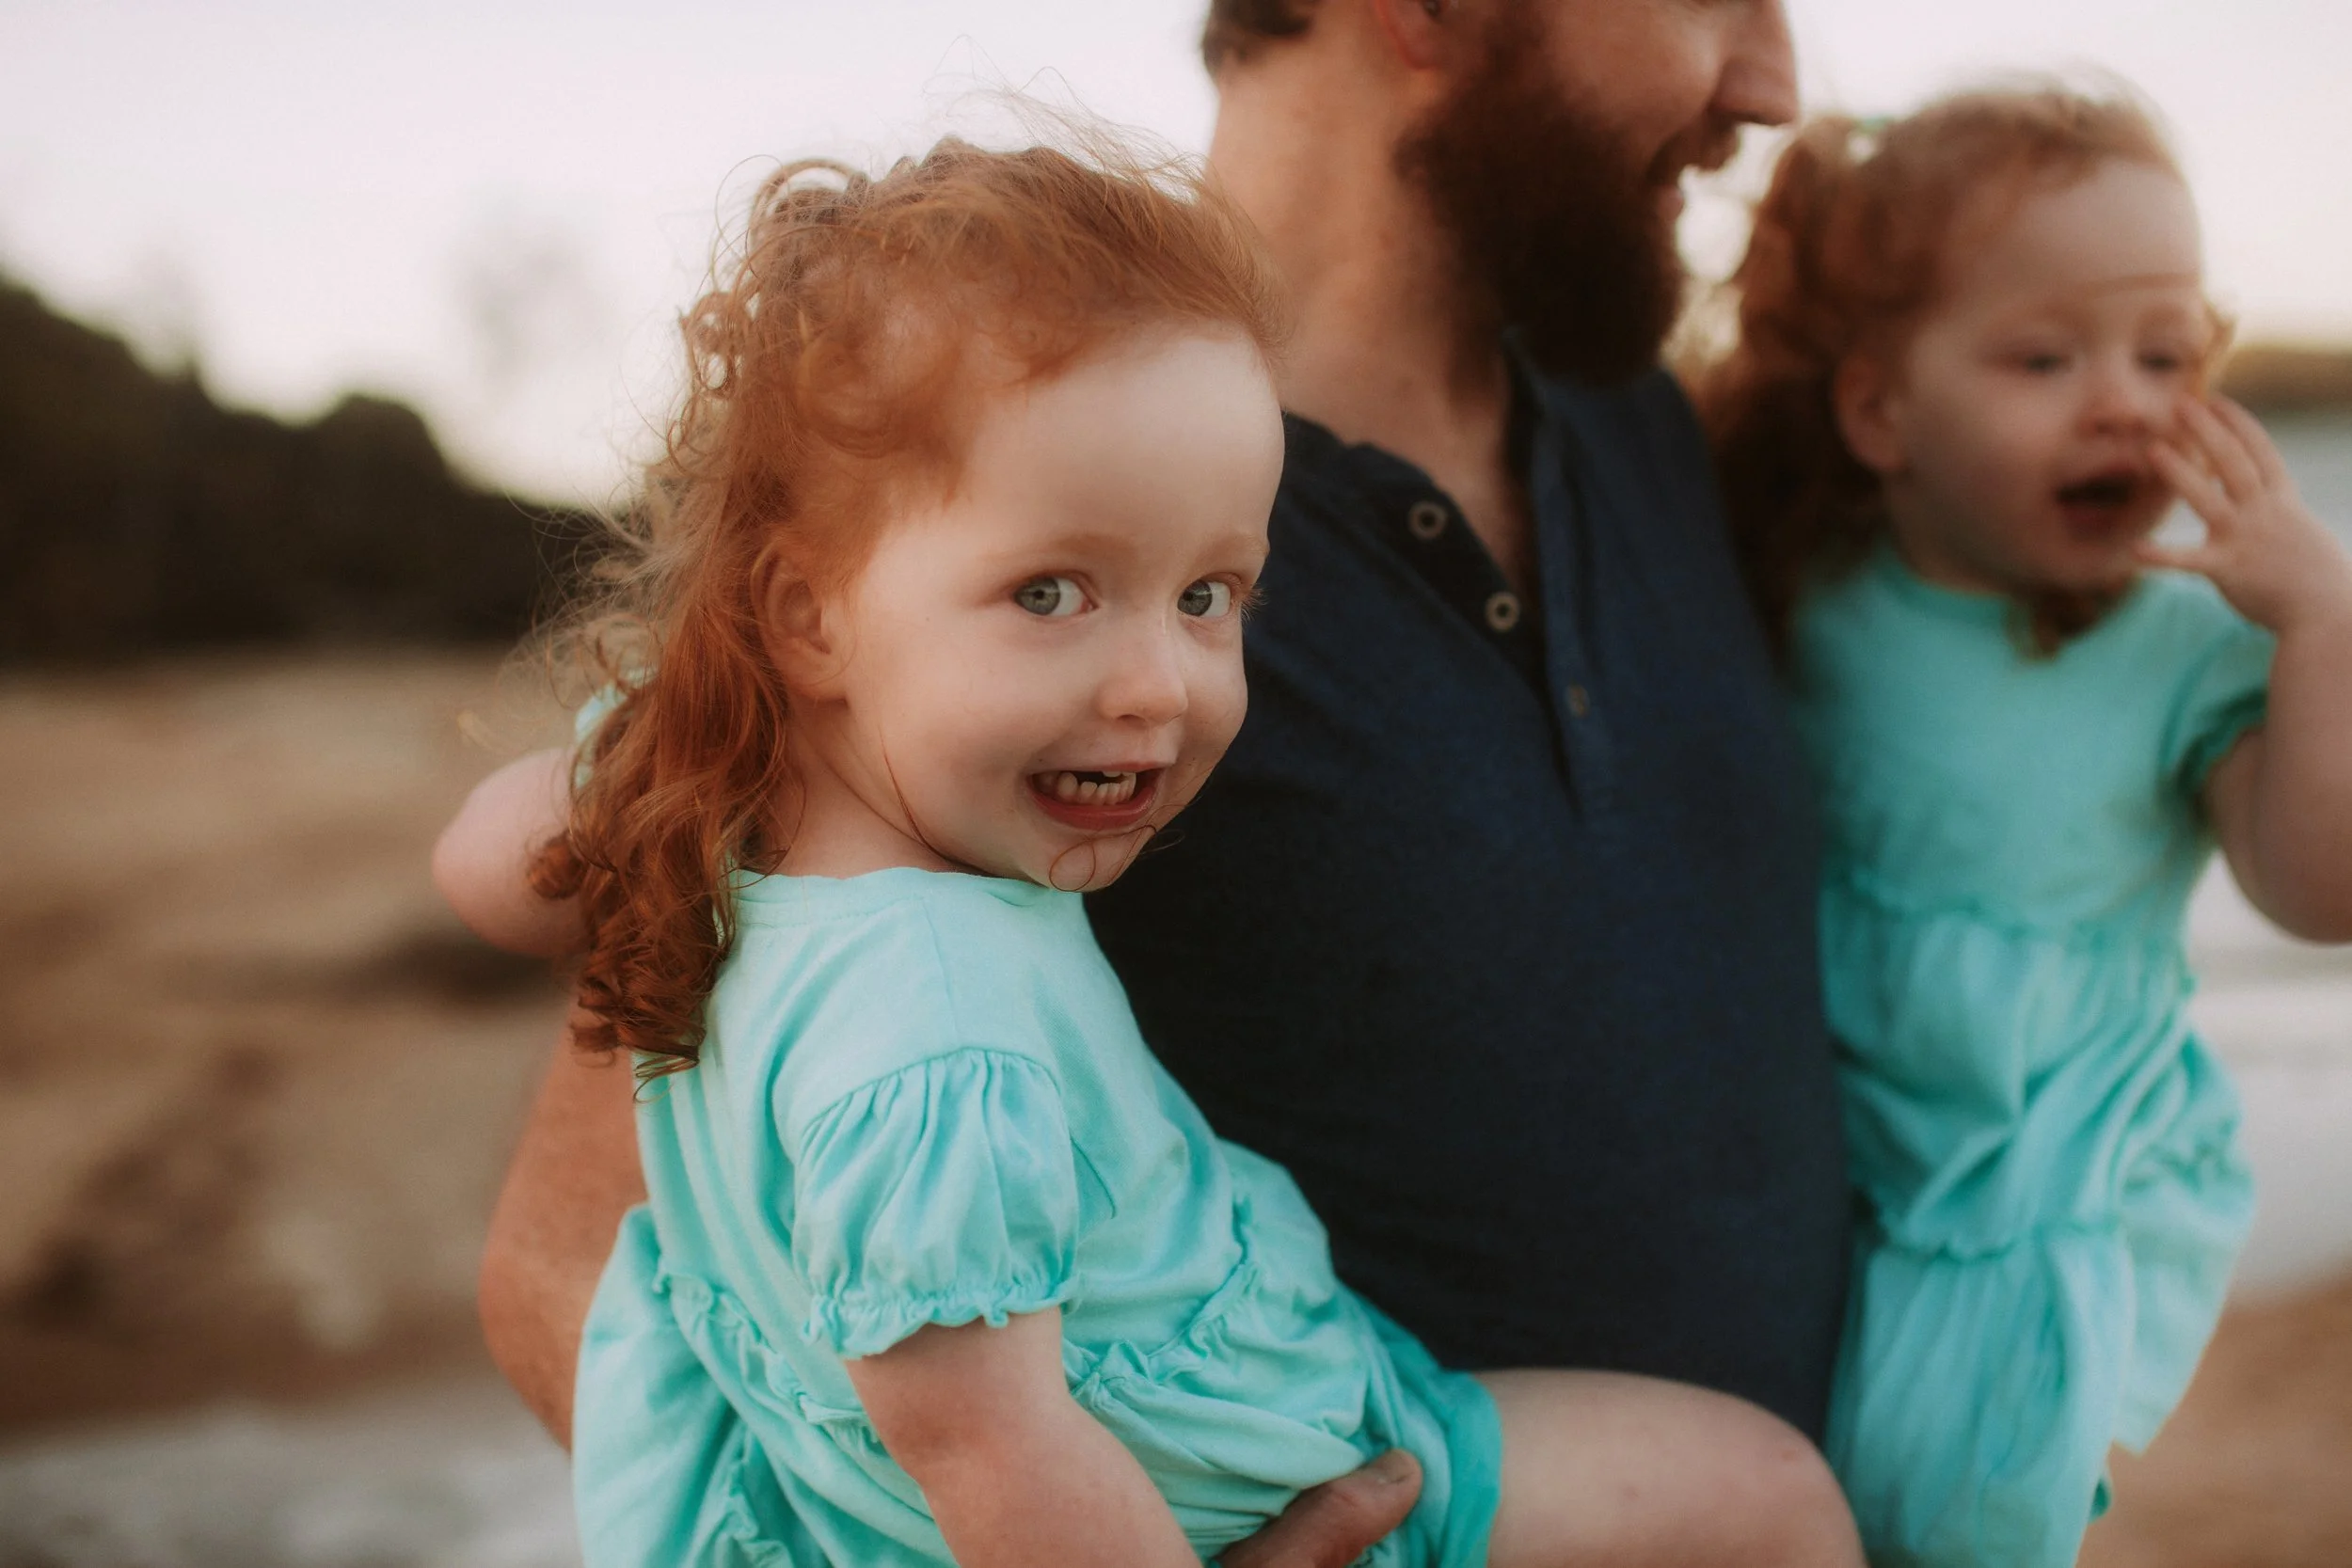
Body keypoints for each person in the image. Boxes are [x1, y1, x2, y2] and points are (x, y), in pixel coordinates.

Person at [458, 1, 1860, 1560]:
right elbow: (568, 1275)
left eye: (1220, 597)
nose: (1773, 80)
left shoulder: (1644, 428)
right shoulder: (944, 547)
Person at [1698, 85, 2352, 1566]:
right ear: (1878, 410)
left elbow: (2322, 890)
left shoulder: (2191, 649)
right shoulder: (1811, 589)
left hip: (2042, 1175)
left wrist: (2321, 623)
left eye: (2166, 353)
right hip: (1841, 1141)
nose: (2122, 398)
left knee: (1956, 1511)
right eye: (2046, 356)